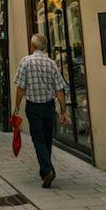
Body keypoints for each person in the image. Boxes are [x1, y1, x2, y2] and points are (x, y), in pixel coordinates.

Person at [13, 33, 70, 188]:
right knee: (47, 138)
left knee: (38, 138)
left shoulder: (25, 62)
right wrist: (64, 111)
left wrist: (17, 107)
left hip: (33, 106)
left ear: (32, 46)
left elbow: (20, 88)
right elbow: (59, 90)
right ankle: (46, 171)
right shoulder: (51, 63)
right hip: (48, 105)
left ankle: (47, 169)